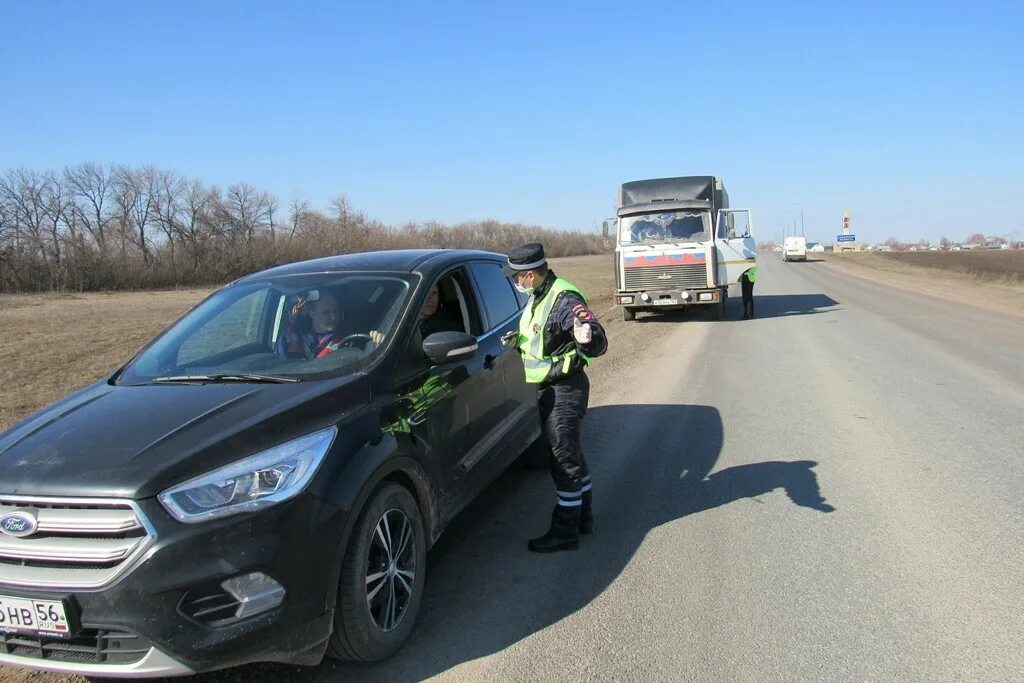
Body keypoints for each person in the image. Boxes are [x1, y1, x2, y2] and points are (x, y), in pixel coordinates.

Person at [501, 243, 608, 553]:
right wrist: (519, 342)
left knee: (563, 462)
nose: (515, 282)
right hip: (554, 389)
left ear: (530, 275)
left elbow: (595, 337)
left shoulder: (564, 298)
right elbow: (545, 339)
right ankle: (583, 519)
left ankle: (565, 531)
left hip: (564, 390)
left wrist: (589, 338)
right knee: (572, 457)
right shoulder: (541, 295)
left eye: (516, 278)